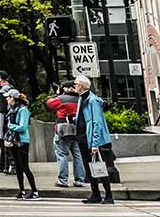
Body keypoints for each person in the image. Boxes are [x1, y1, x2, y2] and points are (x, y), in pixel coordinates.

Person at [74, 74, 116, 203]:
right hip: (82, 138)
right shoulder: (82, 99)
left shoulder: (93, 101)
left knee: (99, 167)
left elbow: (97, 123)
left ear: (81, 86)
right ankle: (95, 194)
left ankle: (108, 195)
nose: (74, 86)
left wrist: (95, 143)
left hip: (91, 139)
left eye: (75, 84)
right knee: (88, 167)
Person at [45, 81, 86, 188]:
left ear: (66, 88)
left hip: (63, 130)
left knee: (62, 154)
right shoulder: (80, 99)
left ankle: (63, 180)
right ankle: (80, 179)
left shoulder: (61, 99)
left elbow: (49, 103)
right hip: (77, 130)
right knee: (77, 155)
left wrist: (58, 94)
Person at [5, 89, 39, 200]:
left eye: (9, 97)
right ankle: (22, 190)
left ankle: (35, 192)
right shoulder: (11, 110)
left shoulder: (23, 110)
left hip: (22, 141)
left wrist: (11, 126)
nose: (7, 99)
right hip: (13, 141)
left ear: (14, 98)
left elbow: (23, 127)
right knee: (18, 167)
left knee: (25, 167)